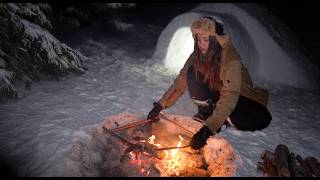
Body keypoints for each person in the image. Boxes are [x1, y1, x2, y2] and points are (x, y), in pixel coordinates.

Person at [147, 17, 272, 150]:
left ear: (215, 39)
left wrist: (208, 128)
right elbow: (180, 82)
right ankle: (206, 112)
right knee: (192, 72)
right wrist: (161, 105)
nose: (201, 44)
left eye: (206, 40)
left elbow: (230, 96)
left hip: (238, 96)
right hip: (215, 94)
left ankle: (220, 119)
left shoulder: (230, 59)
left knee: (262, 118)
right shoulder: (197, 55)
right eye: (198, 39)